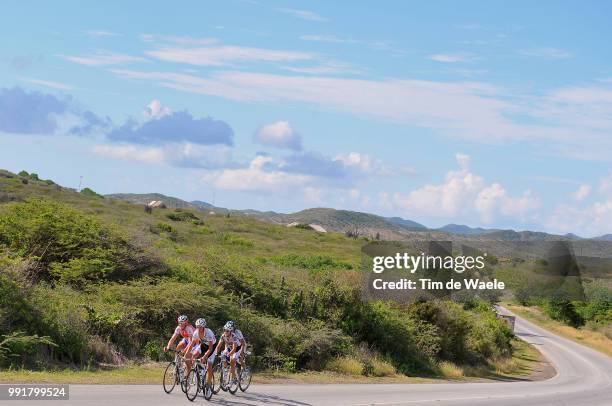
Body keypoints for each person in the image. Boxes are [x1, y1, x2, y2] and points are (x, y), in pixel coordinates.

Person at [184, 318, 216, 387]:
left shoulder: (208, 333)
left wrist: (204, 357)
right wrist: (186, 355)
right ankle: (195, 371)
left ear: (203, 327)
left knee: (209, 365)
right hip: (203, 345)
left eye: (200, 327)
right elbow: (191, 344)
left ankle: (208, 383)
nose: (198, 328)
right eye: (197, 326)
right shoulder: (196, 332)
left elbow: (210, 349)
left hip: (212, 347)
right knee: (193, 356)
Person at [214, 320, 246, 384]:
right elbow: (219, 346)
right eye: (225, 330)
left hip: (240, 346)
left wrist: (242, 352)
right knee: (225, 357)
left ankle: (244, 371)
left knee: (239, 359)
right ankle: (226, 371)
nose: (226, 331)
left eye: (228, 330)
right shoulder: (223, 335)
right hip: (230, 346)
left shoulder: (237, 333)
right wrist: (214, 354)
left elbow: (243, 343)